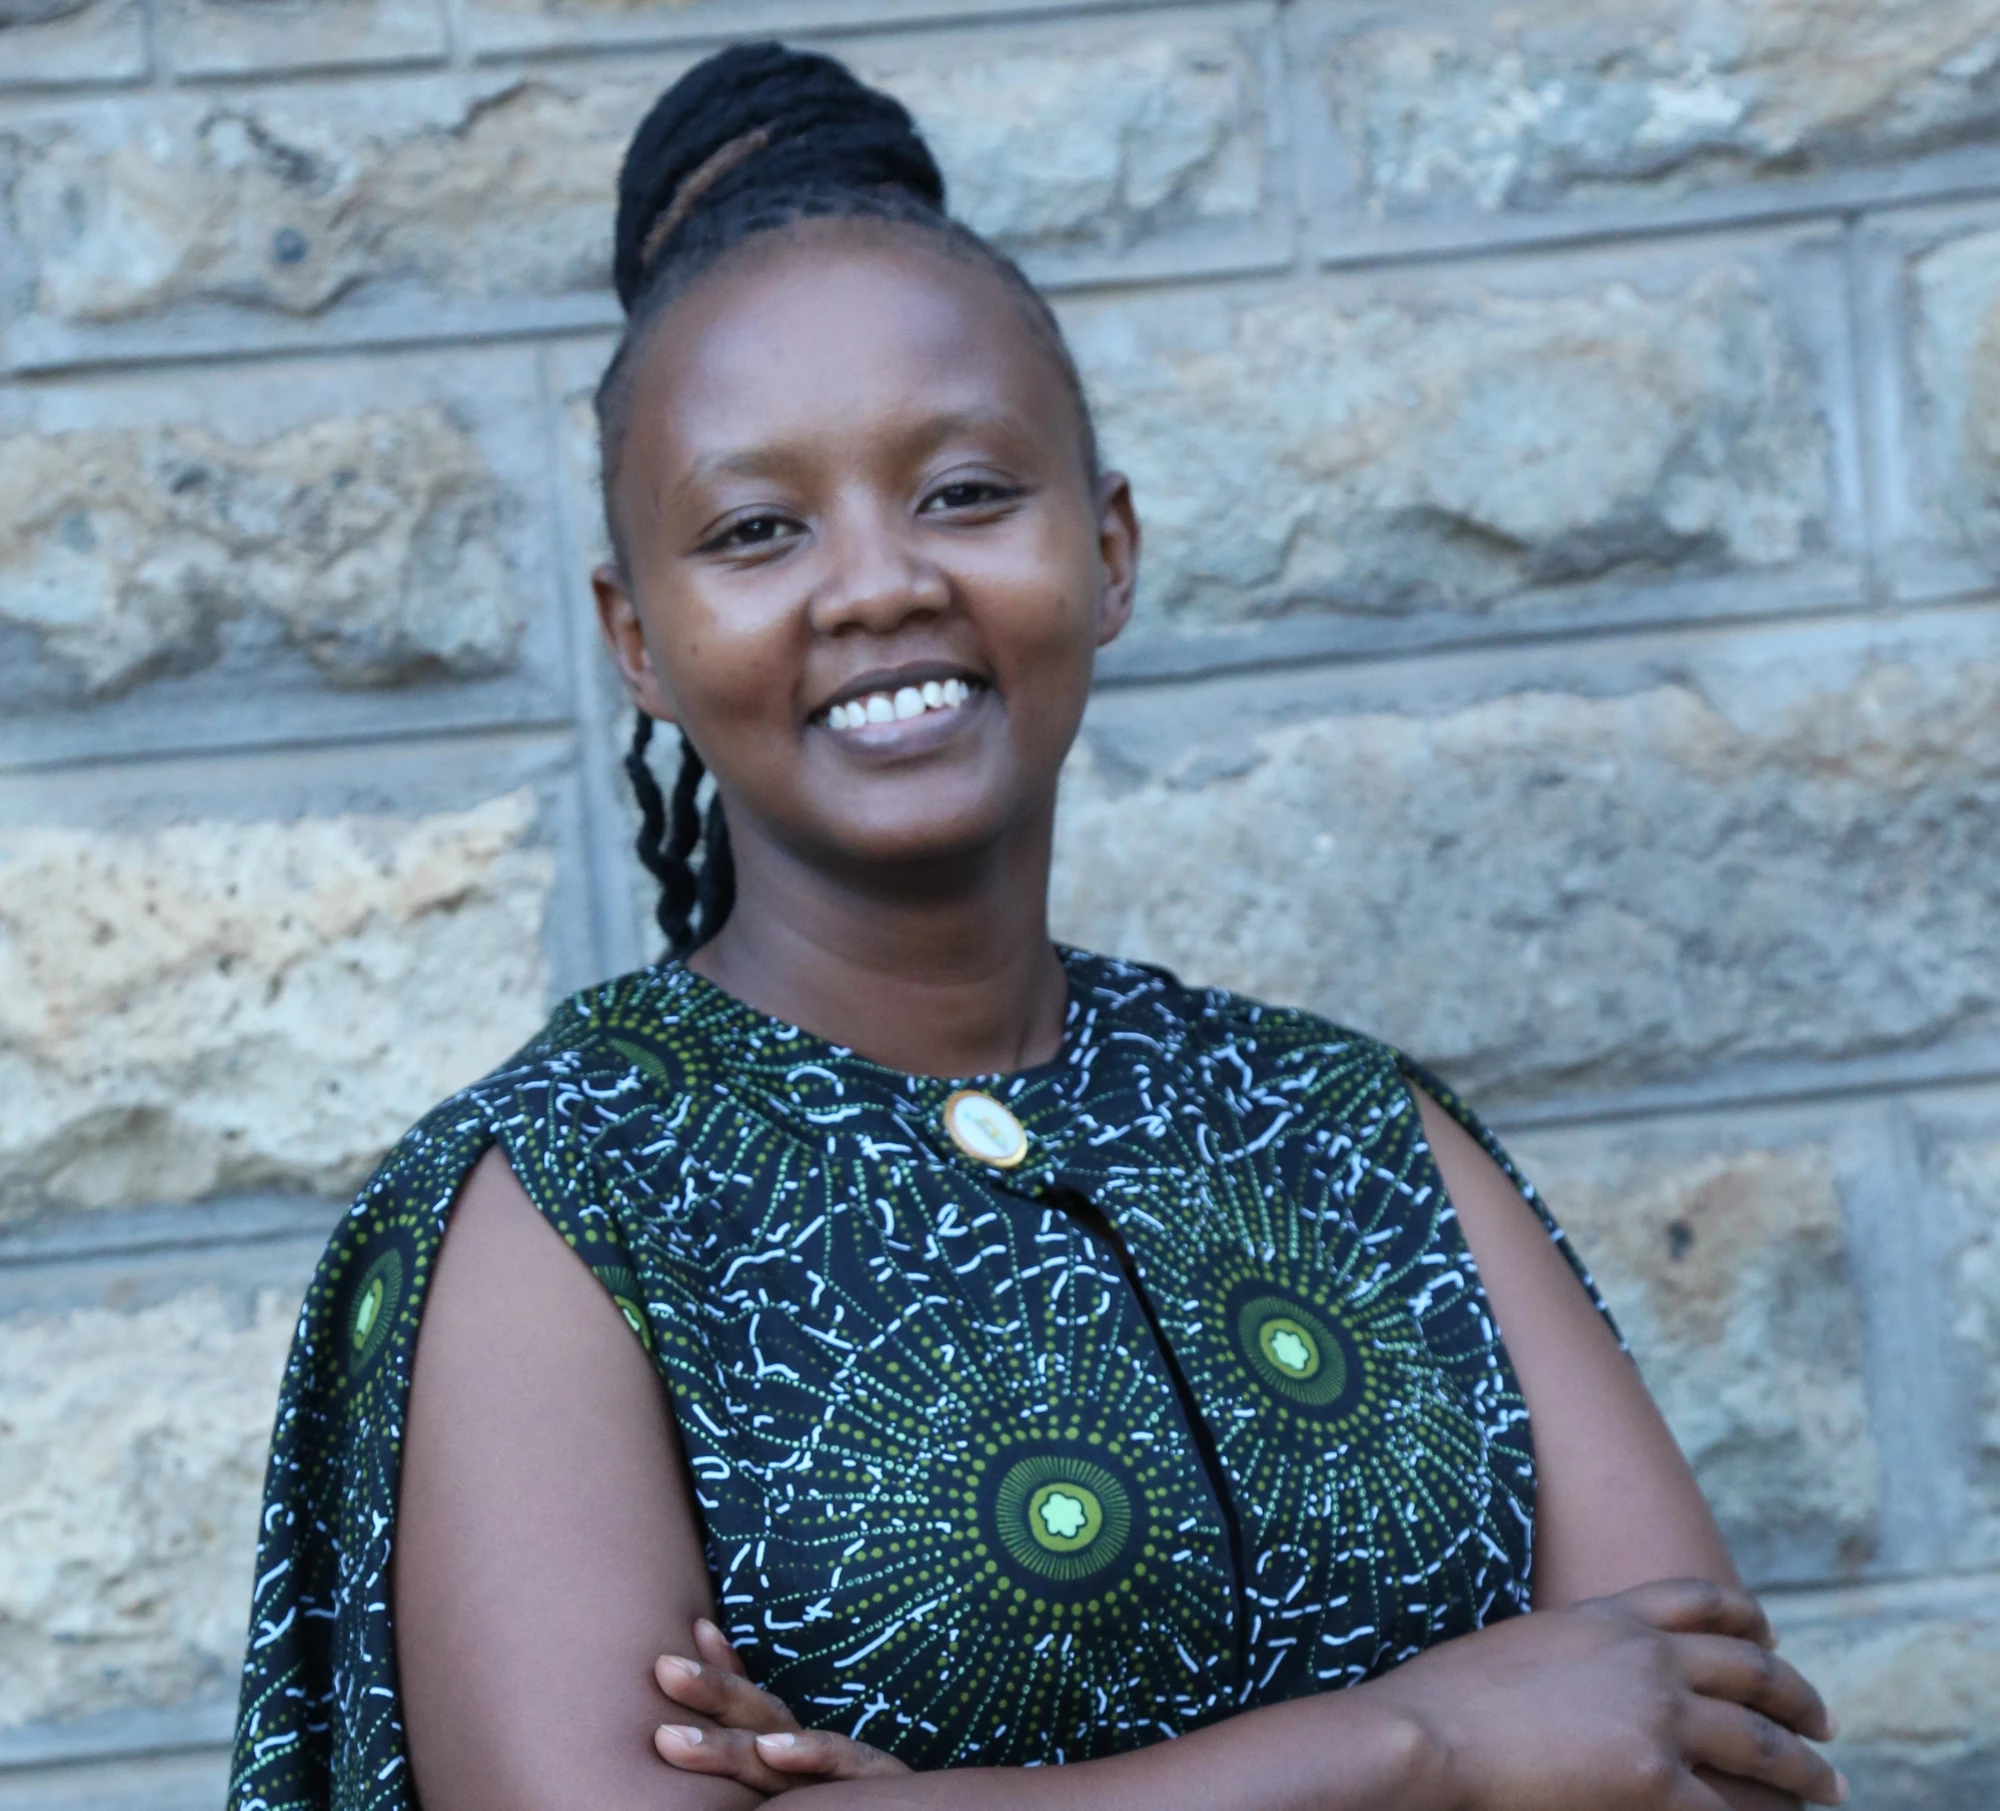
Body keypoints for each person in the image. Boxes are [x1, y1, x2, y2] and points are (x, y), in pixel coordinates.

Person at [227, 41, 1845, 1811]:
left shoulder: (1350, 1129)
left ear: (1110, 546)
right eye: (758, 529)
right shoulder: (565, 1206)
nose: (878, 581)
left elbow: (1736, 1765)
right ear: (639, 640)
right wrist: (1434, 1740)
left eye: (966, 492)